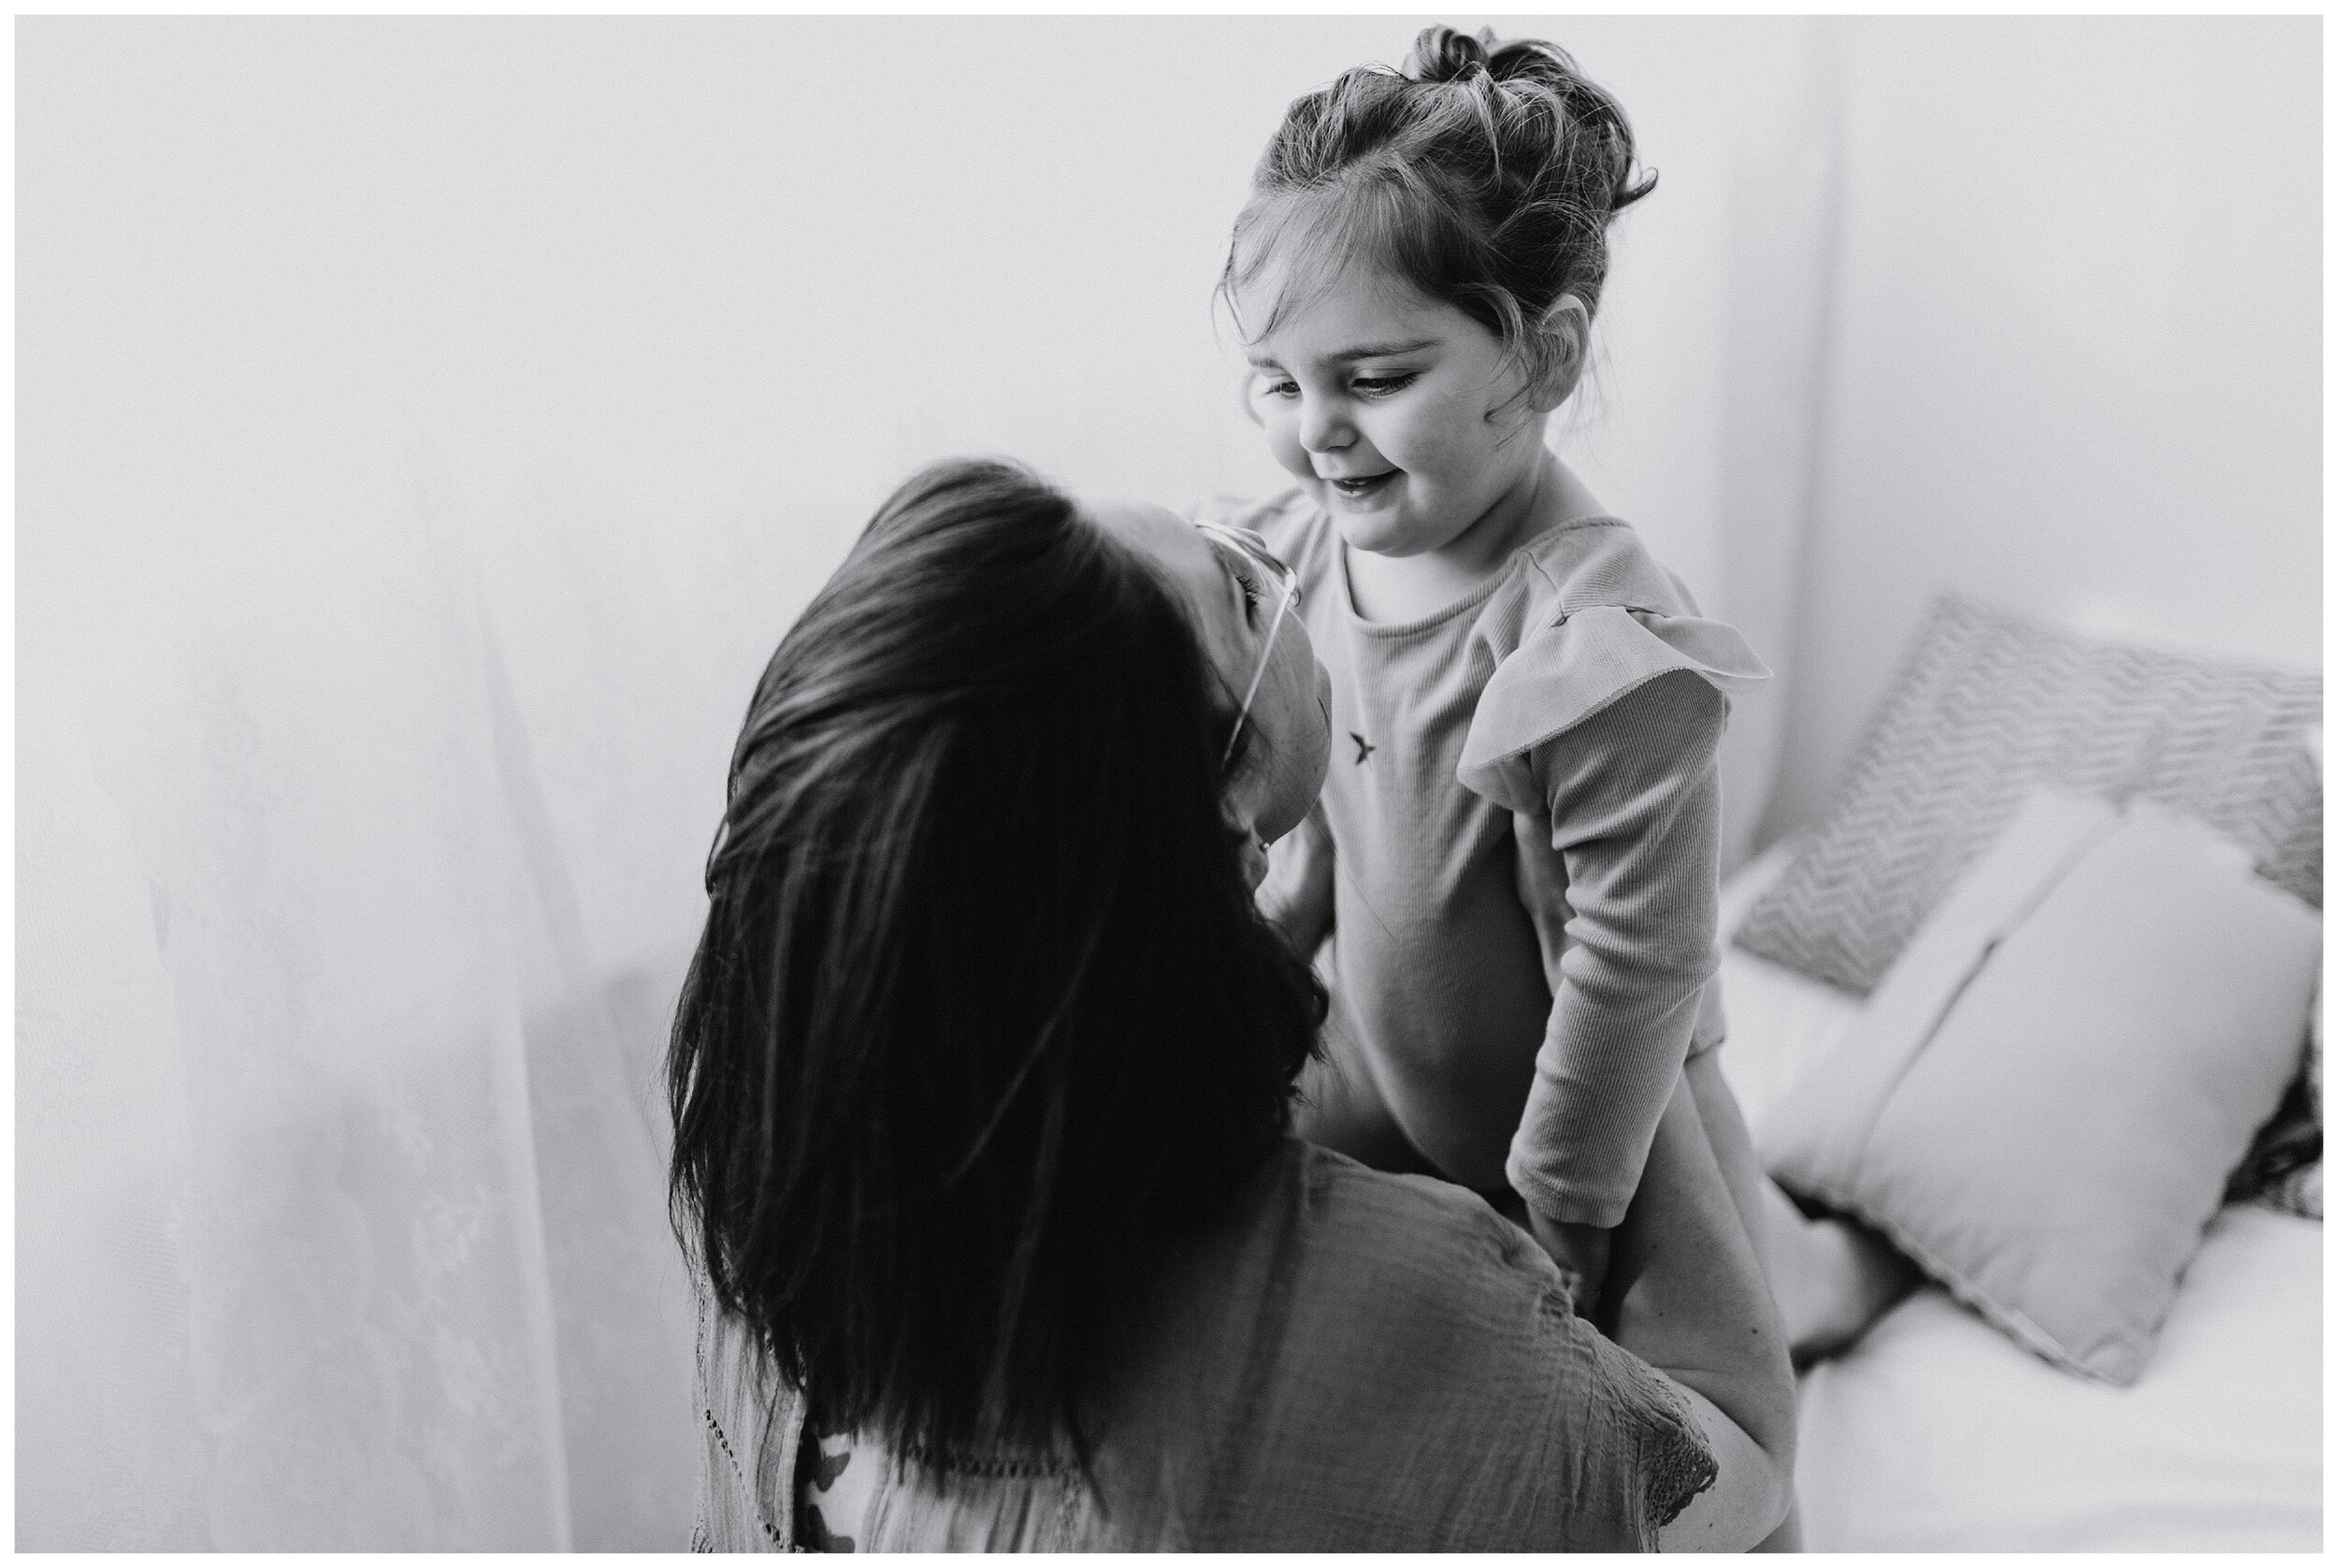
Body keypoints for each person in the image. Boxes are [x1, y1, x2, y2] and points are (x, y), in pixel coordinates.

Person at [669, 456, 1795, 1549]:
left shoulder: (775, 1158)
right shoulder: (1398, 1312)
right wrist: (1630, 963)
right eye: (1245, 592)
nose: (1276, 540)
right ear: (1208, 820)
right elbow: (1729, 1463)